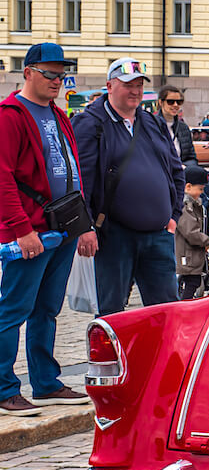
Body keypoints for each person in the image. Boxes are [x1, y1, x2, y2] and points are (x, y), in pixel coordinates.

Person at [0, 43, 97, 415]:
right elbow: (4, 177)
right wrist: (21, 229)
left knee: (47, 309)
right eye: (50, 74)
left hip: (62, 229)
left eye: (62, 75)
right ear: (28, 72)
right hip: (31, 231)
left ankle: (44, 382)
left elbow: (74, 172)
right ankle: (5, 386)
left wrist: (84, 224)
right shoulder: (11, 115)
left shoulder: (58, 114)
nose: (58, 81)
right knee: (14, 308)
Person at [72, 57, 184, 316]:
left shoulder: (152, 122)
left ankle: (161, 357)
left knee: (167, 308)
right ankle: (111, 357)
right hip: (114, 235)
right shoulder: (91, 123)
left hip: (158, 234)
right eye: (127, 85)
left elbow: (176, 170)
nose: (135, 91)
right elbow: (81, 181)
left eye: (139, 85)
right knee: (112, 310)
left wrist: (173, 216)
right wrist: (84, 227)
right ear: (109, 86)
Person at [156, 85, 207, 186]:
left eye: (179, 102)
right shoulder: (151, 125)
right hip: (158, 180)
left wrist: (185, 168)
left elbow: (191, 157)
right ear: (161, 102)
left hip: (180, 180)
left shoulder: (183, 128)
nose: (175, 105)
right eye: (170, 101)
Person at [174, 170, 209, 300]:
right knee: (192, 281)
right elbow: (190, 231)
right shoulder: (186, 206)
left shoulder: (193, 204)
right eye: (200, 189)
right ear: (188, 187)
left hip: (190, 253)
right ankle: (184, 306)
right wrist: (207, 241)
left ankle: (184, 303)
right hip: (187, 253)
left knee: (191, 281)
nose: (201, 192)